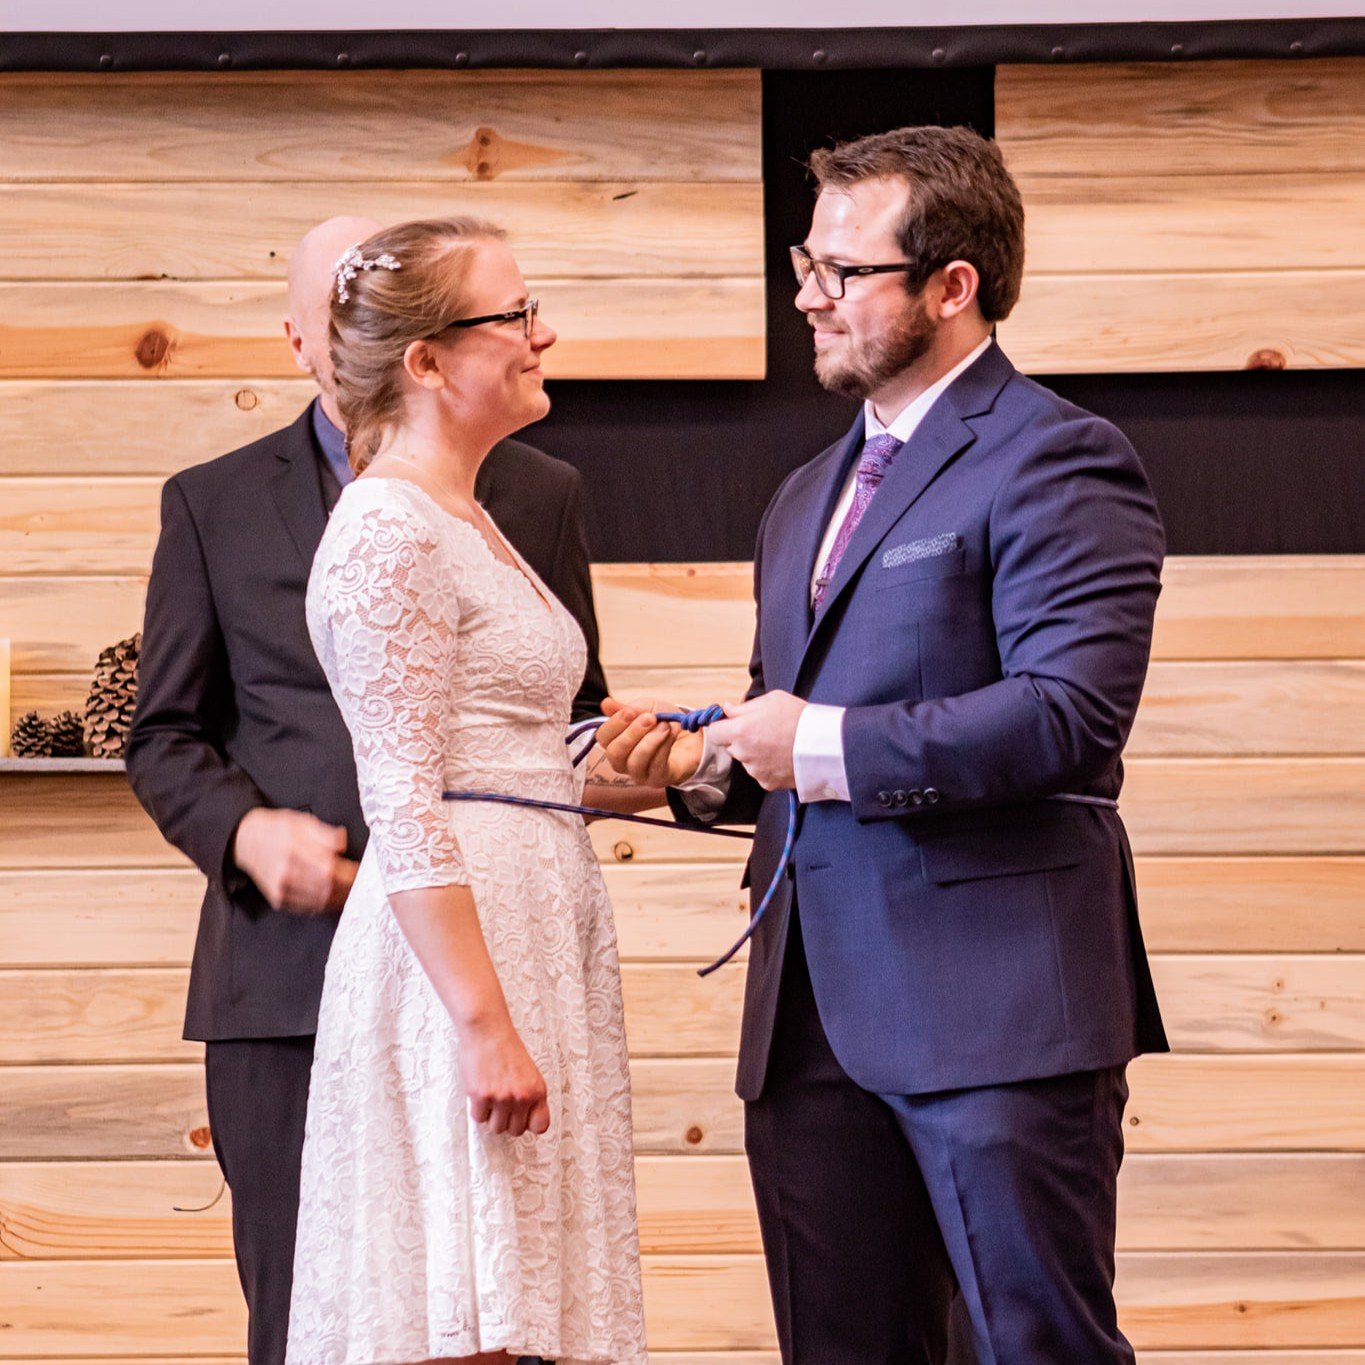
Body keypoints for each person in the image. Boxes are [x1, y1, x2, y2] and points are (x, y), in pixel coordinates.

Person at [596, 124, 1168, 1364]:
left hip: (996, 1012)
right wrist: (689, 773)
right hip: (807, 1022)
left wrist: (819, 741)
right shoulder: (804, 492)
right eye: (806, 262)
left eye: (841, 271)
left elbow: (1069, 716)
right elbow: (788, 747)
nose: (807, 295)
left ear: (951, 286)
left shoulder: (1061, 457)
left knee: (1037, 1347)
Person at [125, 215, 612, 1365]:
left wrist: (651, 763)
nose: (539, 334)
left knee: (502, 1304)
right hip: (288, 981)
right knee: (334, 1312)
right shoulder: (217, 501)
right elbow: (164, 735)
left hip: (493, 945)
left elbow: (555, 715)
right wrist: (245, 834)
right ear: (310, 340)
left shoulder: (530, 493)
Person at [285, 216, 647, 1364]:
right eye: (515, 315)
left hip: (532, 926)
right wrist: (483, 1028)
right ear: (427, 362)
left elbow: (502, 756)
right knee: (467, 1301)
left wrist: (643, 767)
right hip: (460, 967)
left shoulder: (472, 515)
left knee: (525, 1303)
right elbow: (402, 798)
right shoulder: (386, 528)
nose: (545, 334)